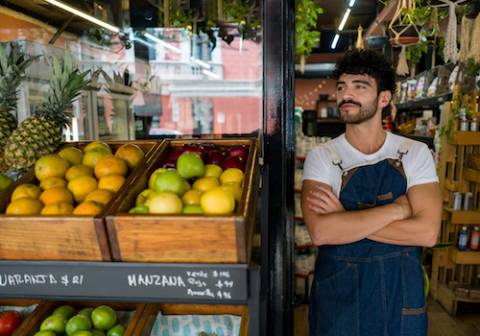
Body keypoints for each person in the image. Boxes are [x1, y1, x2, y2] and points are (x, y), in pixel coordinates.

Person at [301, 49, 441, 336]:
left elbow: (427, 233)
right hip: (339, 299)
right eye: (341, 87)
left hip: (400, 297)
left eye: (359, 86)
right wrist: (398, 210)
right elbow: (322, 233)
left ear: (384, 98)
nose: (346, 95)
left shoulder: (414, 153)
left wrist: (346, 219)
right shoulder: (323, 157)